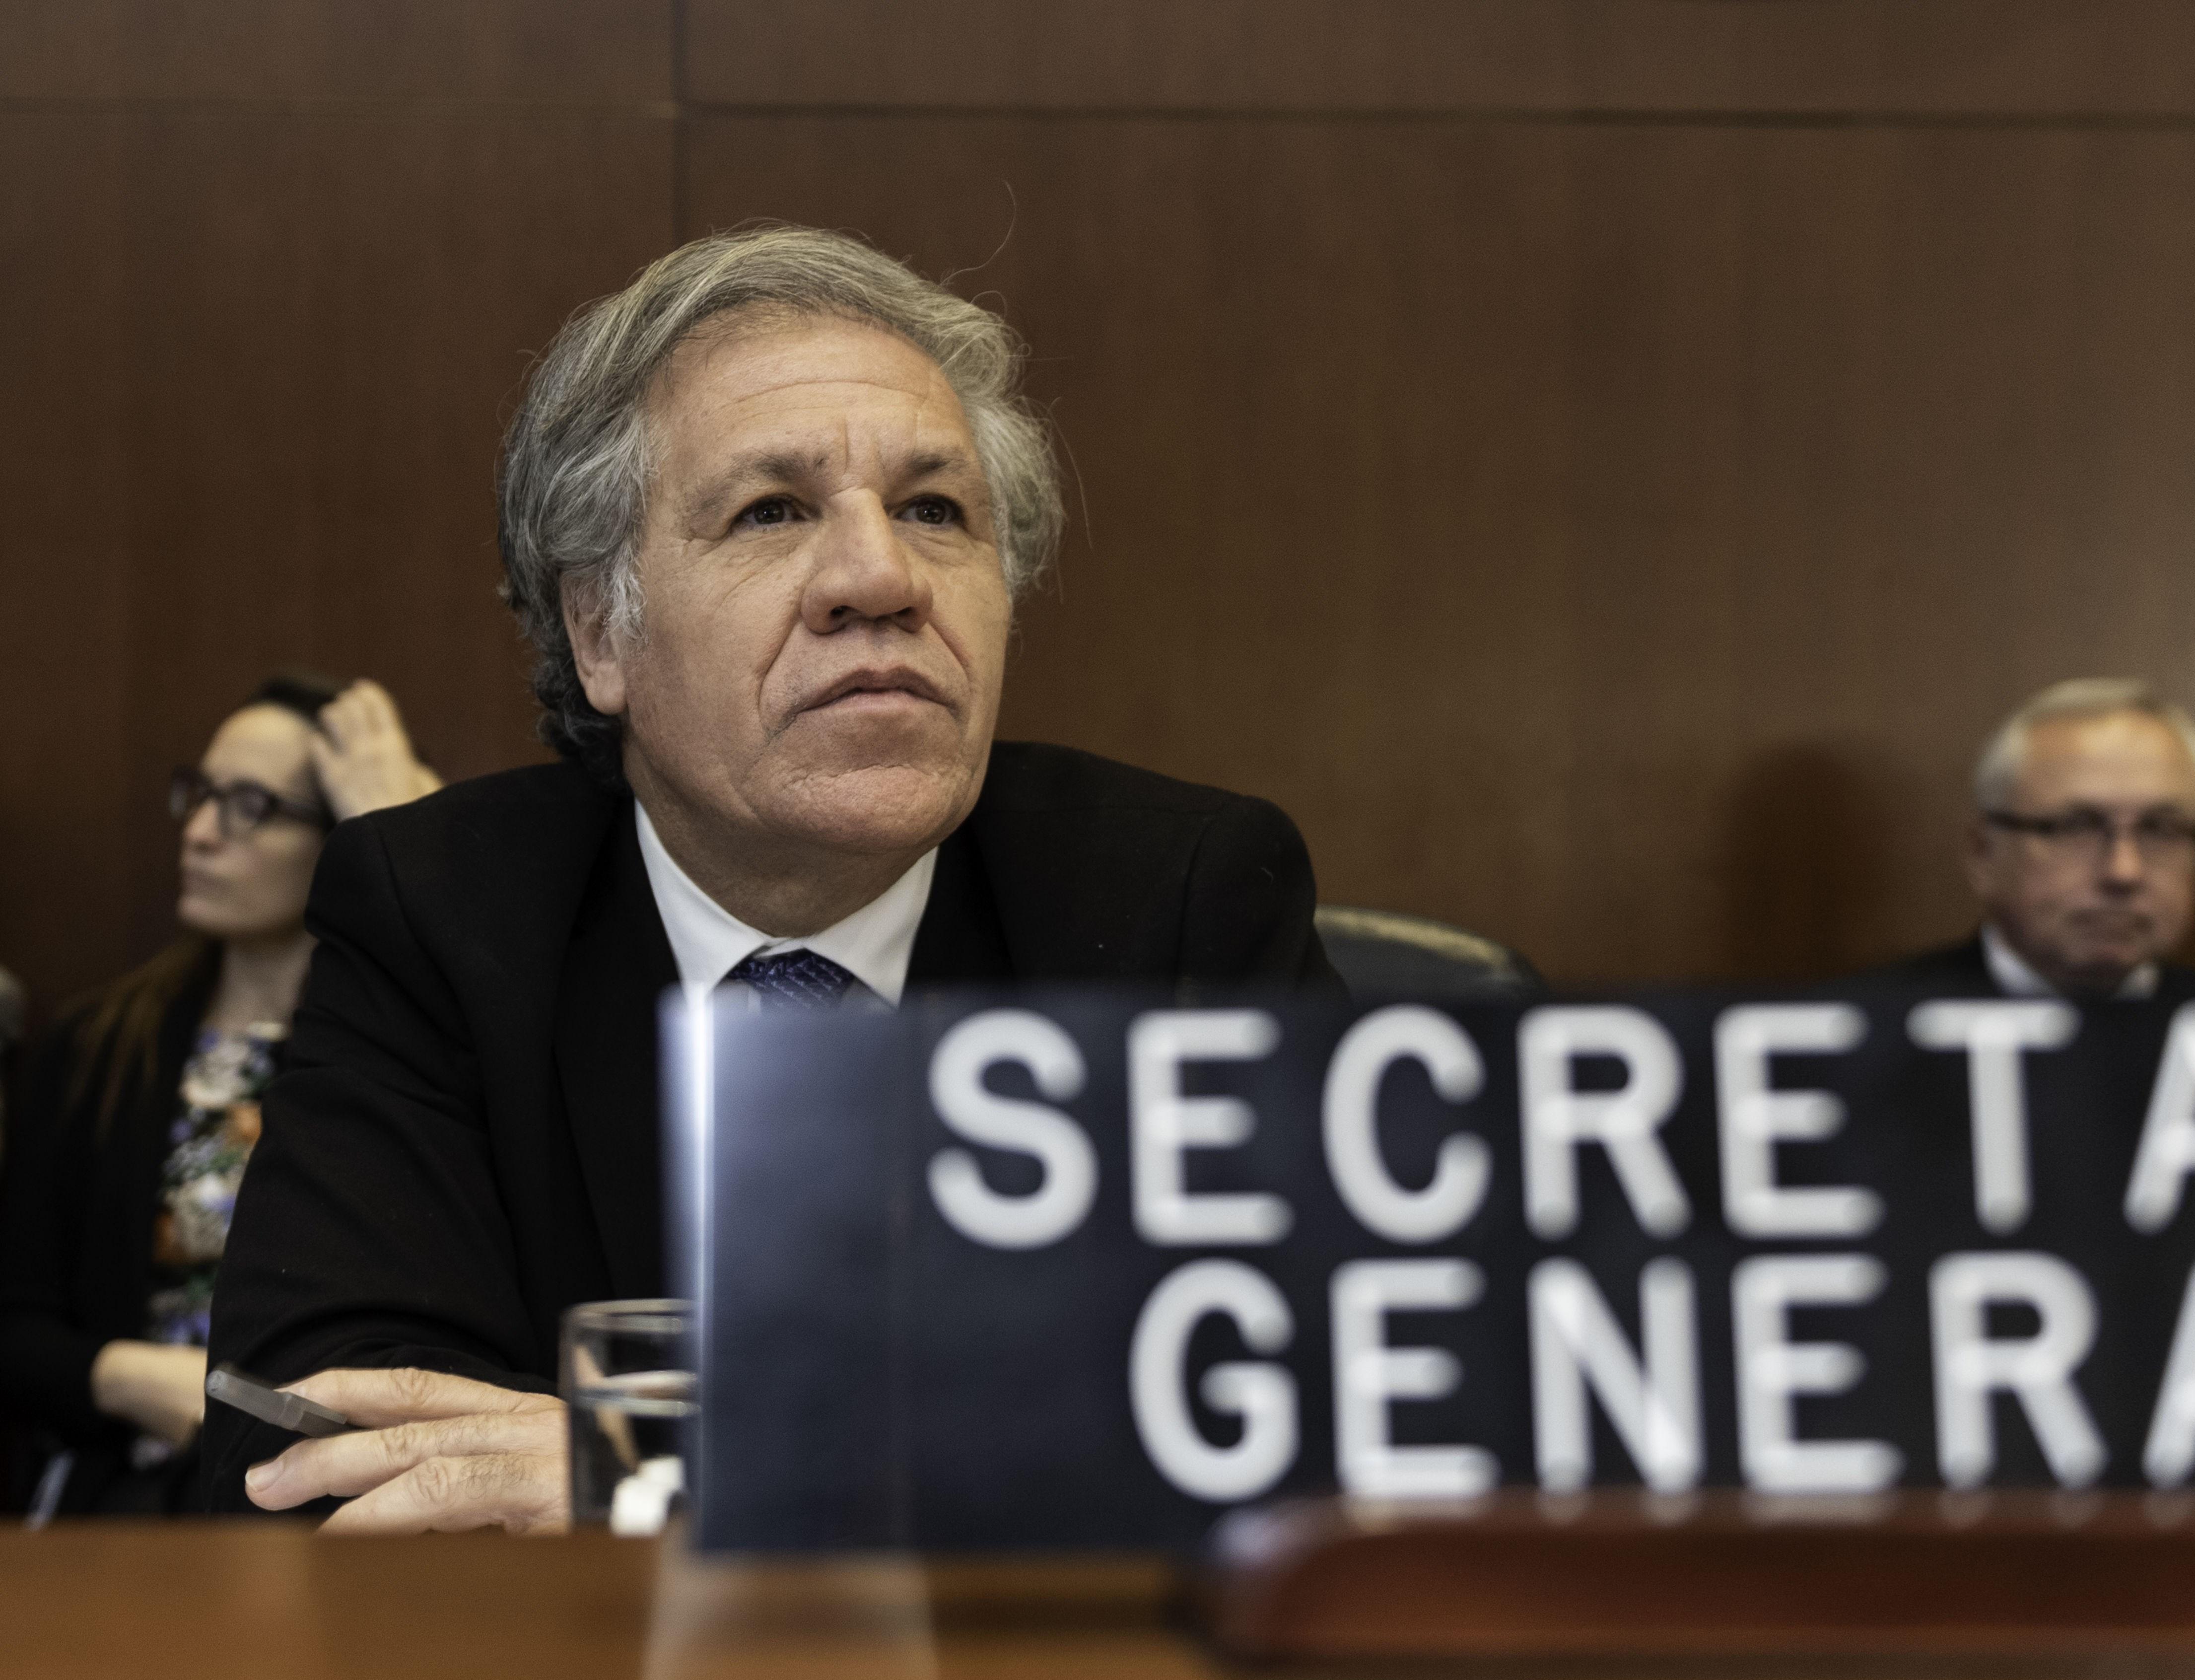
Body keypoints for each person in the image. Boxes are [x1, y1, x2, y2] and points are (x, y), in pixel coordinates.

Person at [201, 226, 1342, 1531]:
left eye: (934, 509)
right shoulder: (445, 909)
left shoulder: (1174, 898)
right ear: (598, 630)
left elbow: (1334, 1414)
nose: (881, 577)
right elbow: (296, 1441)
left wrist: (662, 1462)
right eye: (772, 510)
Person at [0, 675, 440, 1518]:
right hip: (125, 1493)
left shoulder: (399, 1056)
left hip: (340, 1498)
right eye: (200, 795)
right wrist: (126, 1377)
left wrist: (405, 850)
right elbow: (15, 1322)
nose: (199, 832)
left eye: (248, 805)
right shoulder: (101, 1047)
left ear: (338, 835)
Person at [1871, 678, 2195, 1000]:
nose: (2124, 872)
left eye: (2160, 830)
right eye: (2076, 827)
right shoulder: (1855, 1044)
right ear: (1983, 853)